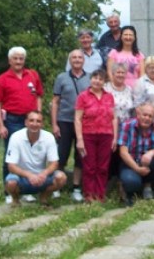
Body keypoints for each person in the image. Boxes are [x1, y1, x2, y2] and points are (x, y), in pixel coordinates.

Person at [0, 46, 44, 202]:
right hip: (12, 120)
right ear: (9, 60)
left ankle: (26, 189)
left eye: (21, 58)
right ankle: (9, 191)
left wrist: (38, 115)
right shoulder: (2, 79)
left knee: (29, 154)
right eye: (15, 58)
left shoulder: (33, 75)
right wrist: (1, 125)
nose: (18, 61)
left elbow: (39, 96)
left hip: (30, 120)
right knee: (11, 155)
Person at [51, 49, 90, 202]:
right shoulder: (61, 77)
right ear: (70, 60)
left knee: (80, 156)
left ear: (83, 60)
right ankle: (56, 186)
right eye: (73, 57)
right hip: (64, 121)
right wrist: (54, 124)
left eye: (80, 57)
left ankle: (76, 187)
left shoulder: (90, 78)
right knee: (61, 155)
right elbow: (55, 102)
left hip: (84, 122)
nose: (77, 60)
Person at [5, 111, 66, 207]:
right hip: (22, 177)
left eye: (38, 121)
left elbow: (54, 163)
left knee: (61, 177)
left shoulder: (49, 137)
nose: (34, 124)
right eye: (31, 120)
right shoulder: (15, 137)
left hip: (41, 177)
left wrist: (44, 173)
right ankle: (15, 200)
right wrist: (29, 175)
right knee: (11, 182)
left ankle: (44, 197)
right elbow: (11, 166)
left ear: (42, 124)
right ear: (26, 122)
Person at [74, 69, 117, 203]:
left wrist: (115, 138)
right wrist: (79, 139)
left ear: (104, 82)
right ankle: (89, 194)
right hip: (88, 135)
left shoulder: (109, 96)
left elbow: (114, 118)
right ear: (91, 79)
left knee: (103, 166)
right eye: (95, 78)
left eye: (100, 79)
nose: (97, 81)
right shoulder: (83, 96)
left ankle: (100, 194)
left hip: (106, 135)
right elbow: (77, 119)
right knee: (89, 166)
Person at [118, 103, 154, 206]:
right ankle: (129, 195)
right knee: (131, 181)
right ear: (138, 115)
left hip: (149, 164)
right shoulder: (127, 126)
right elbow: (123, 152)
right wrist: (137, 168)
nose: (147, 118)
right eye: (144, 115)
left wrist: (150, 153)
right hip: (131, 164)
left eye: (150, 116)